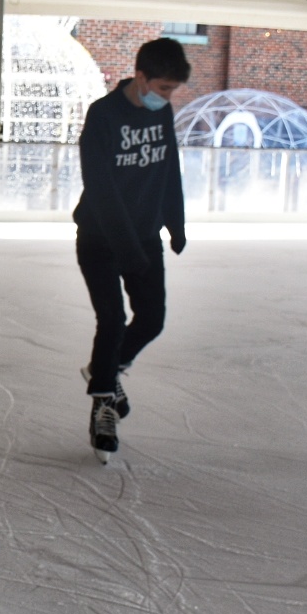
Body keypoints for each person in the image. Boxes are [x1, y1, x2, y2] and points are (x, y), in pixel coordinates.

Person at [72, 38, 189, 463]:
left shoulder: (162, 116)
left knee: (152, 318)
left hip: (143, 237)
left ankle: (104, 370)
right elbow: (101, 191)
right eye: (162, 88)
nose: (167, 97)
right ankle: (103, 405)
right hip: (100, 238)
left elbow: (168, 168)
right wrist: (127, 247)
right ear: (140, 77)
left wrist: (175, 225)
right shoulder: (103, 116)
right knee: (112, 319)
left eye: (172, 91)